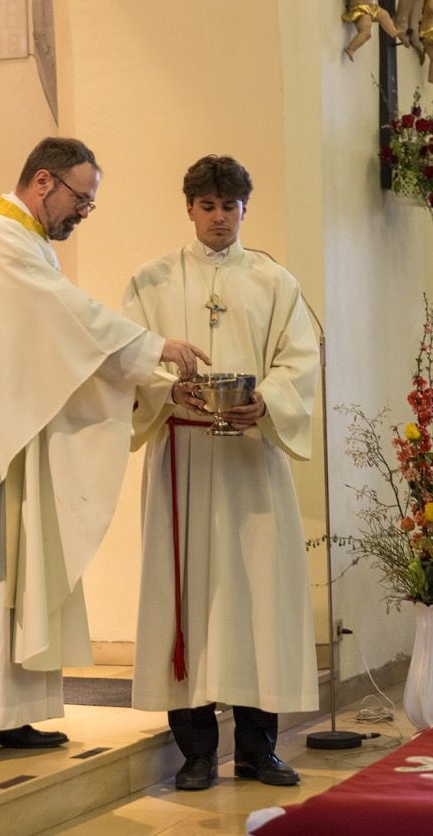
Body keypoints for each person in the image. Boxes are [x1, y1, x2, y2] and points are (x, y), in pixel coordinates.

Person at [0, 137, 209, 770]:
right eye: (82, 198)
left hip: (8, 436)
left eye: (91, 204)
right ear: (44, 181)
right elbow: (67, 317)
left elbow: (49, 344)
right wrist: (152, 349)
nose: (83, 211)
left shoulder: (25, 245)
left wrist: (147, 382)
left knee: (9, 573)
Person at [123, 155, 319, 790]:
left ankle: (260, 748)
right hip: (182, 458)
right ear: (189, 208)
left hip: (250, 460)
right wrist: (166, 392)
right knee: (187, 600)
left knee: (260, 598)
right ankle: (198, 752)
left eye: (229, 207)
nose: (218, 218)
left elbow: (298, 362)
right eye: (207, 206)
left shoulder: (273, 281)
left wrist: (267, 402)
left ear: (244, 209)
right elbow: (126, 359)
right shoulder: (151, 281)